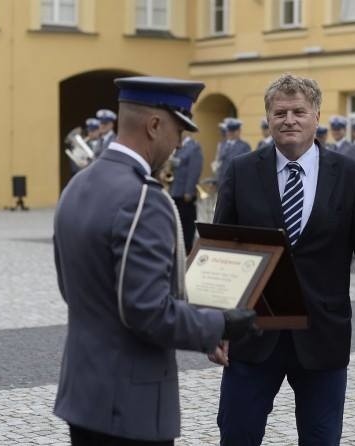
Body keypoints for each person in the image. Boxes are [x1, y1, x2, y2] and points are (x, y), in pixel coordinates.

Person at [52, 76, 256, 446]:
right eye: (178, 130)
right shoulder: (145, 200)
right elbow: (146, 311)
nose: (178, 144)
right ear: (155, 125)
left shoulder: (78, 185)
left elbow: (71, 288)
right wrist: (219, 323)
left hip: (82, 395)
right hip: (130, 404)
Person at [212, 73, 355, 446]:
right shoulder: (241, 171)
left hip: (323, 334)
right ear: (268, 118)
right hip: (253, 334)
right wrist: (213, 327)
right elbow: (222, 252)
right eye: (280, 112)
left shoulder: (351, 176)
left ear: (316, 115)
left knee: (321, 438)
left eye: (299, 111)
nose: (289, 120)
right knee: (237, 435)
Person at [170, 133, 204, 254]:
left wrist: (189, 191)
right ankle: (179, 249)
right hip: (174, 191)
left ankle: (187, 250)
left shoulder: (193, 147)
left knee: (187, 224)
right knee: (177, 224)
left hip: (185, 193)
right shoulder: (178, 147)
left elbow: (194, 170)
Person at [217, 117, 251, 182]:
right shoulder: (222, 145)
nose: (230, 133)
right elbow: (218, 164)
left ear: (238, 131)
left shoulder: (244, 146)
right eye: (228, 131)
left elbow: (247, 166)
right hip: (223, 180)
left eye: (233, 131)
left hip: (238, 180)